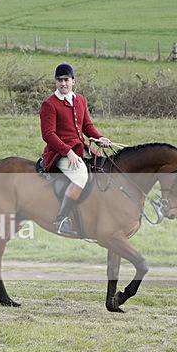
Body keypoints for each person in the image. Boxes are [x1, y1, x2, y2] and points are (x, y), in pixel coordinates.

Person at [39, 62, 111, 236]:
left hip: (79, 149)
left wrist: (99, 138)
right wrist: (67, 152)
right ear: (55, 82)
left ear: (73, 81)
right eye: (59, 80)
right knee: (81, 175)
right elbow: (48, 134)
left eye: (66, 80)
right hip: (58, 153)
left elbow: (87, 125)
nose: (63, 84)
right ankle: (61, 219)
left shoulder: (80, 99)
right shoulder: (49, 104)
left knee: (104, 167)